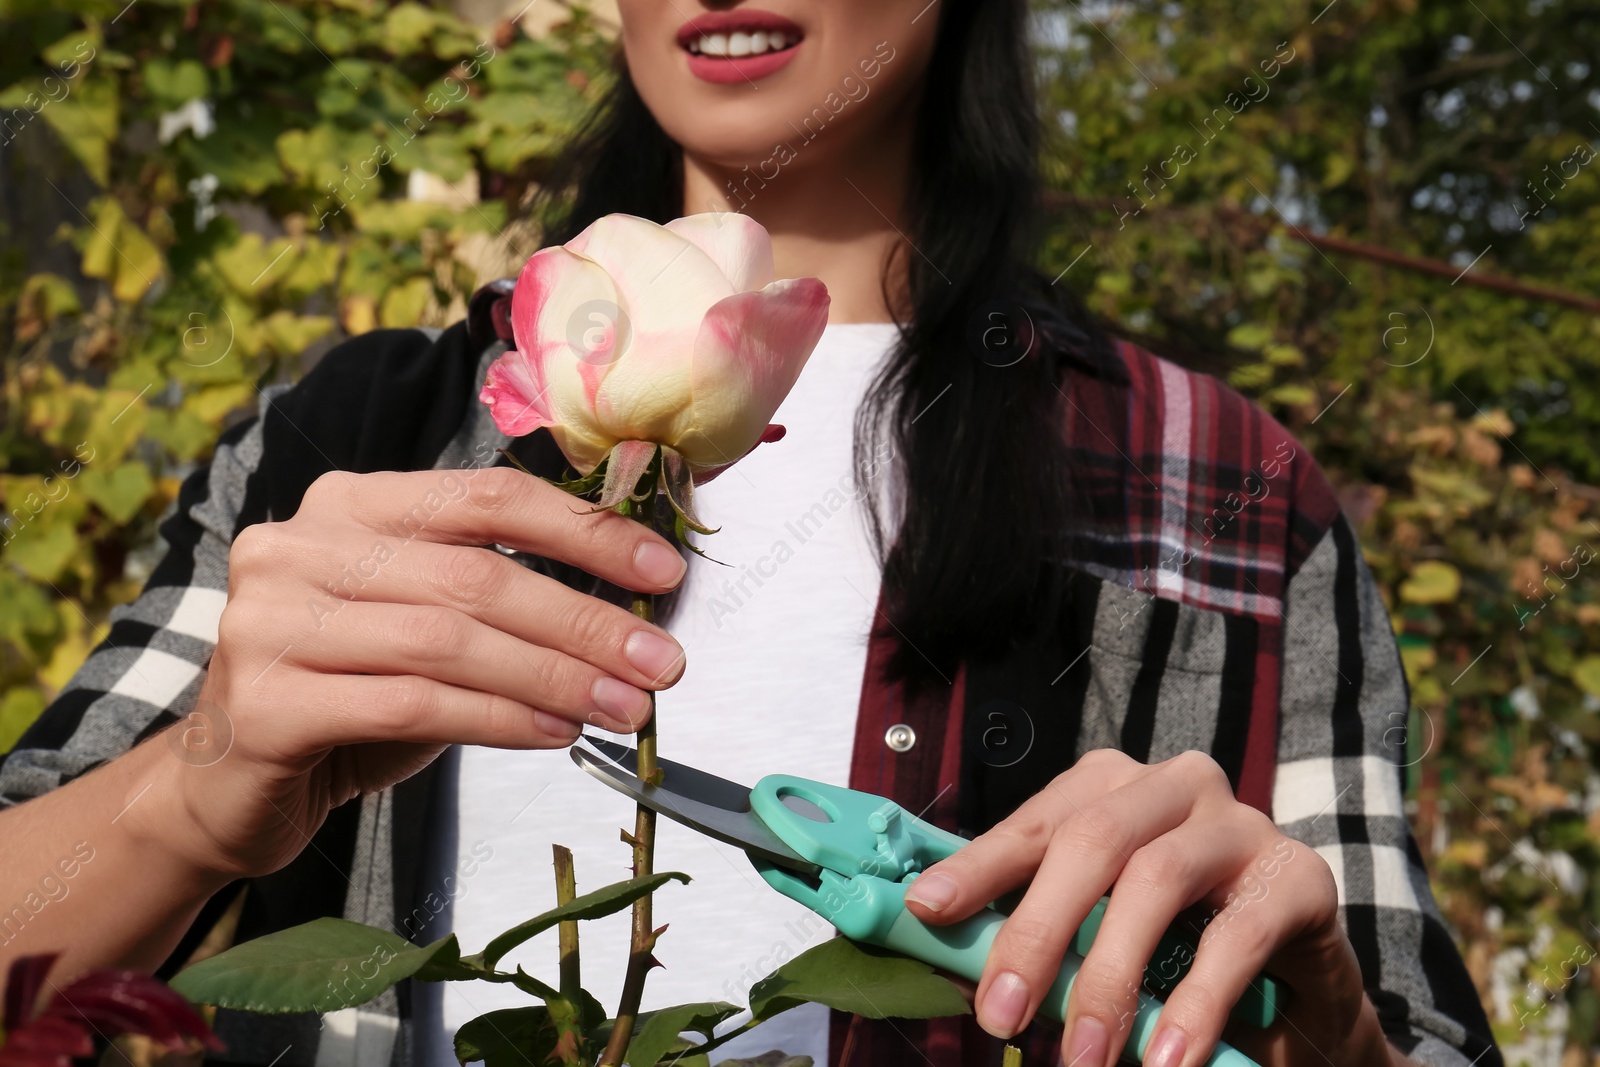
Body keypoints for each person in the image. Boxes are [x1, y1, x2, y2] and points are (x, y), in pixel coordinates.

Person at [0, 1, 1502, 1065]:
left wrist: (1322, 1033)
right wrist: (182, 806)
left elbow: (1401, 1035)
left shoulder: (1214, 482)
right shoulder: (354, 438)